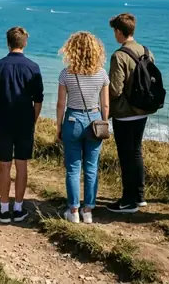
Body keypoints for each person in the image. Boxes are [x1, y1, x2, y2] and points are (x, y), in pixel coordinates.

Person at [0, 27, 44, 223]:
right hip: (24, 122)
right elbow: (38, 101)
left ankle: (4, 209)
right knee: (22, 165)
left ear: (8, 42)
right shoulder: (33, 67)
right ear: (24, 43)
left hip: (3, 120)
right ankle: (18, 207)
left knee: (4, 166)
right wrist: (33, 120)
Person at [56, 32, 110, 224]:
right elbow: (105, 105)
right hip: (94, 120)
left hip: (72, 120)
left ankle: (73, 210)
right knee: (91, 167)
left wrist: (59, 126)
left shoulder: (66, 73)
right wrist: (104, 122)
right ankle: (88, 210)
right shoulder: (102, 73)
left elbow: (61, 104)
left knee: (72, 168)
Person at [107, 13, 153, 214]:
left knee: (126, 156)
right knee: (136, 152)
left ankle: (128, 199)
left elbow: (115, 89)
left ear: (119, 31)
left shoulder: (119, 55)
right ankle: (140, 195)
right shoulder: (146, 51)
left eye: (114, 31)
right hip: (142, 110)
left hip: (125, 113)